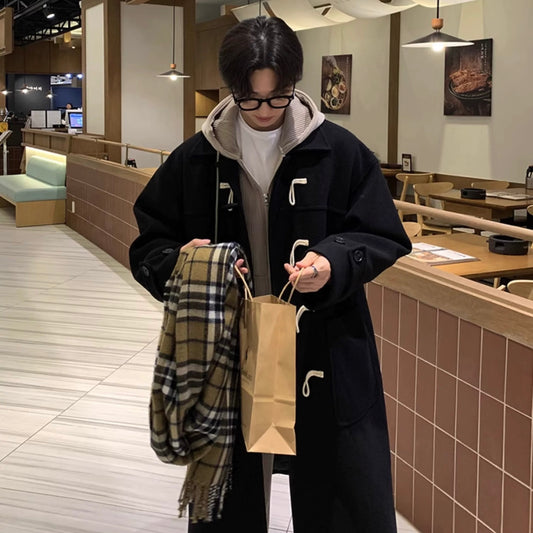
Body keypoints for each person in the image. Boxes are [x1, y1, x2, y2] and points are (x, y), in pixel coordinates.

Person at [130, 16, 411, 533]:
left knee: (340, 493)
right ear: (231, 89)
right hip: (227, 351)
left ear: (294, 85)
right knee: (232, 496)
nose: (264, 111)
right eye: (250, 99)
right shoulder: (197, 159)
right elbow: (149, 244)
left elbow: (381, 234)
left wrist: (332, 261)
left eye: (277, 97)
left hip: (325, 347)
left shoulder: (339, 151)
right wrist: (181, 263)